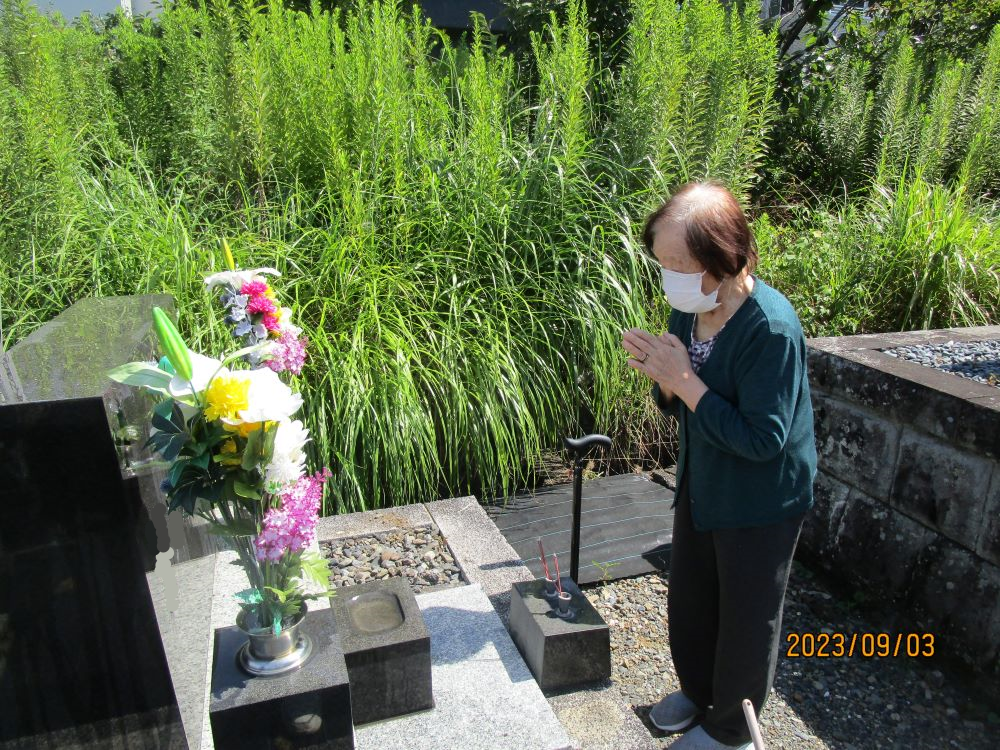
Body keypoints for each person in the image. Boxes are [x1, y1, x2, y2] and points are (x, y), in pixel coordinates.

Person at [621, 181, 817, 749]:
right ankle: (699, 692)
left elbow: (764, 439)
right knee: (692, 598)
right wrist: (665, 377)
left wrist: (684, 381)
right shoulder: (692, 306)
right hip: (703, 482)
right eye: (662, 263)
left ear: (724, 259)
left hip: (761, 499)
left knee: (747, 619)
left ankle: (732, 728)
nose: (669, 278)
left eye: (680, 265)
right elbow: (683, 398)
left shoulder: (770, 329)